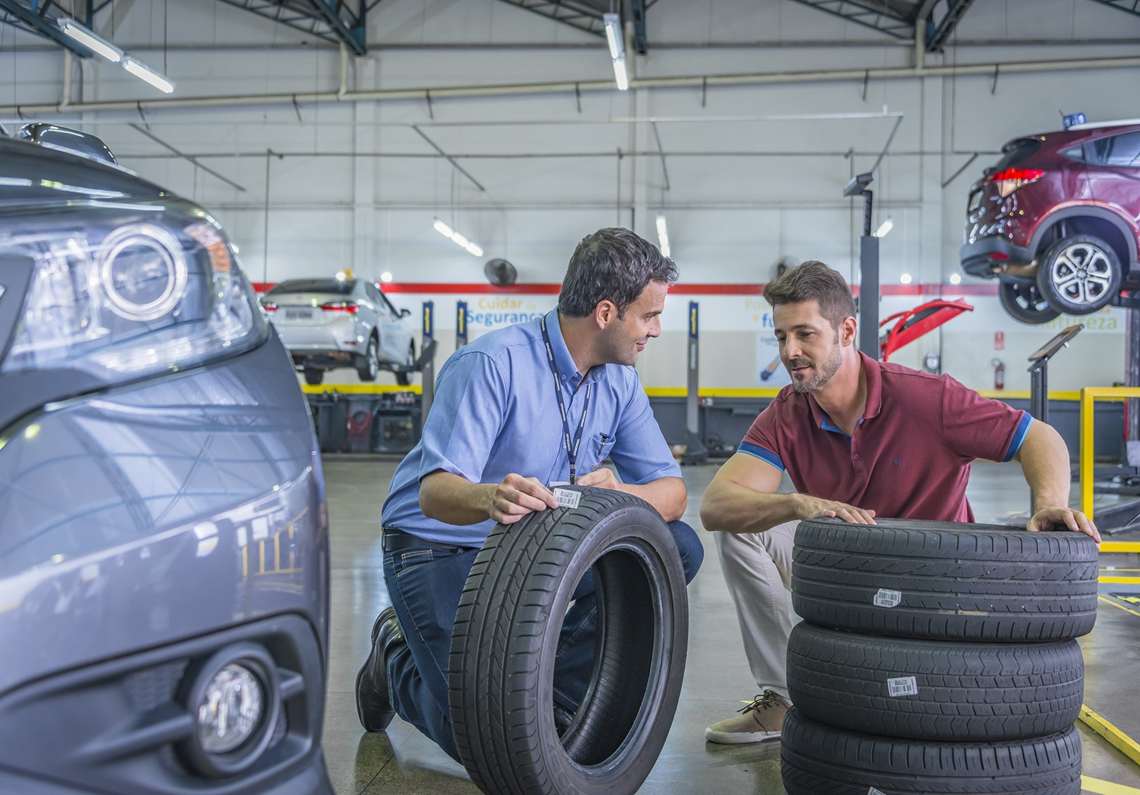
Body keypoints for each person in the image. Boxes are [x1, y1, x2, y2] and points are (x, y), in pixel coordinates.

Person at [699, 260, 1099, 746]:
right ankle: (786, 697)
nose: (791, 351)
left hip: (933, 584)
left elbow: (1039, 438)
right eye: (781, 336)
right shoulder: (786, 414)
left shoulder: (926, 400)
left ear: (846, 330)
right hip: (843, 570)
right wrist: (797, 504)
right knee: (741, 527)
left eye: (805, 334)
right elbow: (717, 505)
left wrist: (1048, 503)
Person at [355, 227, 704, 761]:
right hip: (441, 544)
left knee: (676, 545)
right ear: (606, 313)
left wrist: (624, 493)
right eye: (650, 315)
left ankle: (537, 693)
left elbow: (673, 494)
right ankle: (394, 657)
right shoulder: (493, 364)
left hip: (537, 545)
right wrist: (490, 497)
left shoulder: (620, 380)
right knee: (481, 733)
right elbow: (435, 493)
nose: (656, 330)